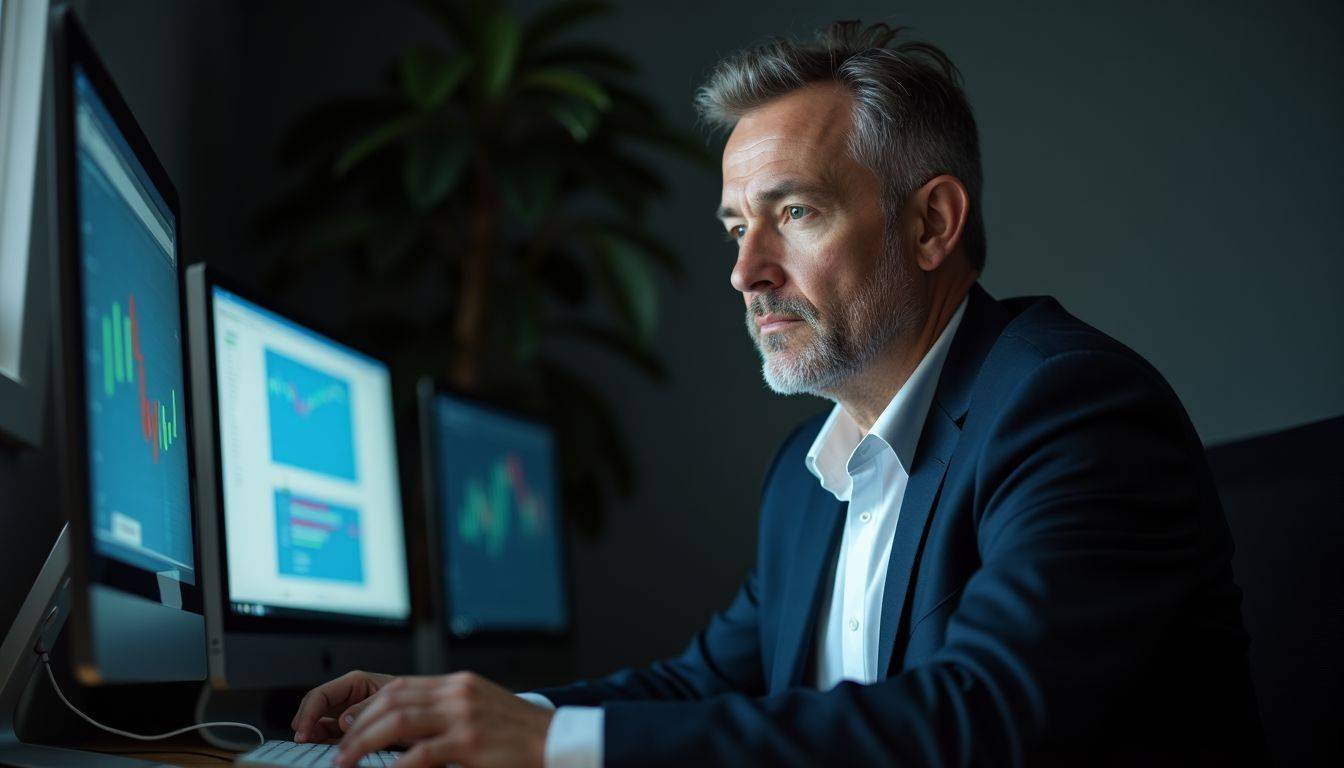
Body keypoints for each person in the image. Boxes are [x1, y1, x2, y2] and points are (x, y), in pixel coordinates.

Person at [295, 21, 1263, 768]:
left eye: (793, 213)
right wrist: (473, 716)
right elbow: (704, 683)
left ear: (931, 224)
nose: (746, 272)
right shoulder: (807, 482)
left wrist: (548, 751)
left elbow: (983, 724)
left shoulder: (1071, 412)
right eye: (734, 228)